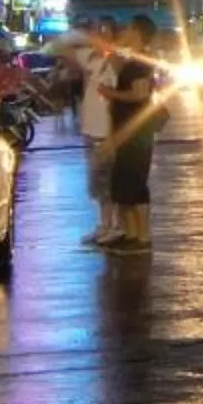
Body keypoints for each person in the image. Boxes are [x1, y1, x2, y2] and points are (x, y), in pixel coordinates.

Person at [99, 17, 168, 255]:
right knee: (123, 184)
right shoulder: (133, 59)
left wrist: (110, 93)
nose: (124, 31)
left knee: (135, 184)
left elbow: (139, 95)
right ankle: (130, 234)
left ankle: (142, 237)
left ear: (137, 33)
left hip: (137, 132)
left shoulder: (140, 63)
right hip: (128, 130)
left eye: (128, 29)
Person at [75, 24, 122, 247]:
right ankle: (104, 225)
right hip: (91, 131)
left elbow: (114, 102)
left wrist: (113, 134)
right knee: (96, 184)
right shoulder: (93, 62)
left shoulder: (114, 63)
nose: (97, 38)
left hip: (104, 133)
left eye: (103, 34)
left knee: (107, 183)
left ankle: (114, 226)